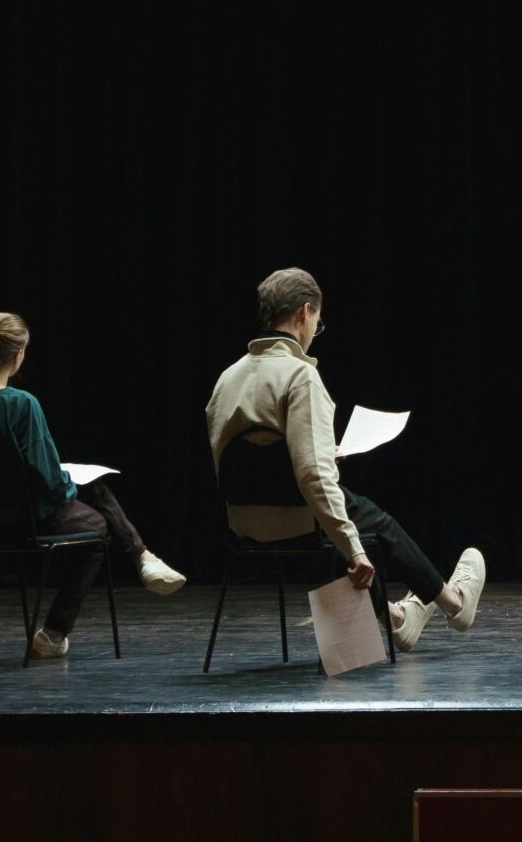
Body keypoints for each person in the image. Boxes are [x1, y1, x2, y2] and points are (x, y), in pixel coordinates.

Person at [204, 266, 486, 652]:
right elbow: (314, 477)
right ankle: (454, 604)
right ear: (304, 313)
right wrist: (354, 549)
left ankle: (398, 619)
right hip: (297, 521)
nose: (314, 332)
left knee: (342, 515)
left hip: (243, 526)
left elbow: (238, 458)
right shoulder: (300, 376)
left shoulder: (227, 379)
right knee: (369, 523)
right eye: (316, 322)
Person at [0, 311, 187, 662]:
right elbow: (52, 486)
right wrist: (72, 484)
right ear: (18, 356)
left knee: (94, 489)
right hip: (25, 519)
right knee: (96, 523)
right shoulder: (22, 404)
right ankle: (55, 631)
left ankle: (144, 557)